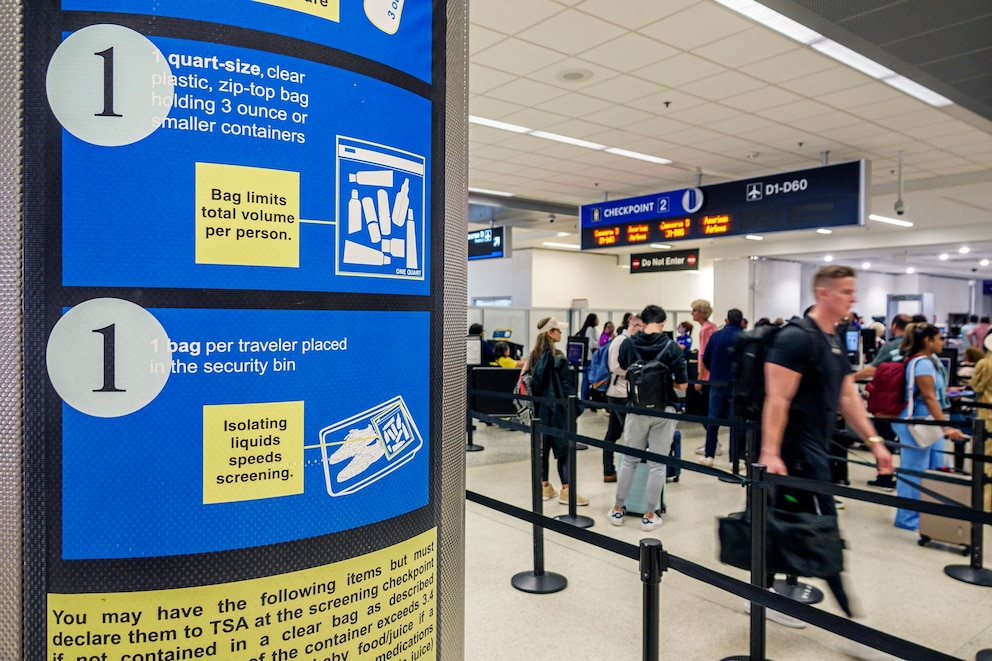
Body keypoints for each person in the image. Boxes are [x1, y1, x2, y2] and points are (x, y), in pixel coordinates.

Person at [759, 265, 894, 654]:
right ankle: (856, 625)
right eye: (847, 291)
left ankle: (765, 595)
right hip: (795, 456)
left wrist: (875, 442)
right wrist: (770, 452)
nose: (853, 298)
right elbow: (777, 398)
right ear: (823, 293)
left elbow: (847, 395)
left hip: (816, 452)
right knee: (825, 533)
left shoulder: (833, 339)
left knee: (786, 526)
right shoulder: (796, 338)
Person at [607, 305, 687, 531]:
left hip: (636, 408)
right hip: (664, 410)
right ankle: (650, 515)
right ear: (662, 324)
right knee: (657, 464)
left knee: (630, 460)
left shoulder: (629, 343)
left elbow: (622, 367)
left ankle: (617, 509)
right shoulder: (672, 347)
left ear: (642, 322)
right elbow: (682, 384)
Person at [891, 323, 966, 530]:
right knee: (913, 472)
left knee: (937, 465)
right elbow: (929, 397)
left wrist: (949, 391)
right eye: (940, 338)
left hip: (927, 422)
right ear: (927, 341)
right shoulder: (923, 363)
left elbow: (932, 393)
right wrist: (945, 427)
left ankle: (929, 515)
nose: (943, 342)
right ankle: (907, 519)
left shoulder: (928, 362)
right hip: (917, 423)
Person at [525, 317, 587, 506]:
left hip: (540, 411)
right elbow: (568, 388)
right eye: (558, 331)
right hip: (559, 410)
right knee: (564, 450)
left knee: (543, 449)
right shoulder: (559, 357)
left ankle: (544, 486)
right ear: (551, 333)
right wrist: (574, 412)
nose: (561, 334)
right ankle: (567, 490)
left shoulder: (532, 356)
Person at [853, 313, 911, 491]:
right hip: (910, 403)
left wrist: (848, 378)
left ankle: (884, 476)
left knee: (883, 437)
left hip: (889, 403)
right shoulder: (916, 348)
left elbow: (872, 369)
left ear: (894, 326)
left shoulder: (892, 346)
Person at [699, 308, 745, 467]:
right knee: (735, 422)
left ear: (726, 320)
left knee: (713, 418)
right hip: (737, 385)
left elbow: (706, 358)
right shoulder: (745, 338)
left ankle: (709, 455)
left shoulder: (716, 336)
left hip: (716, 382)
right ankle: (735, 459)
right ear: (741, 321)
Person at [601, 315, 644, 483]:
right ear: (634, 326)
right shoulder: (621, 341)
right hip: (619, 393)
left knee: (613, 432)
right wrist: (637, 372)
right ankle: (625, 472)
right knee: (630, 433)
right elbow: (615, 367)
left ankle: (609, 470)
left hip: (619, 391)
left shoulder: (624, 340)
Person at [691, 299, 717, 449]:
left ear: (702, 313)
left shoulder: (706, 330)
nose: (692, 313)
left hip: (707, 377)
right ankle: (711, 442)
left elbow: (704, 356)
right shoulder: (710, 328)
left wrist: (699, 379)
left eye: (694, 310)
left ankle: (712, 443)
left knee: (705, 411)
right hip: (710, 375)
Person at [967, 349, 992, 511]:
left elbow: (976, 385)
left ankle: (983, 504)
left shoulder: (985, 364)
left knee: (984, 461)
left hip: (987, 418)